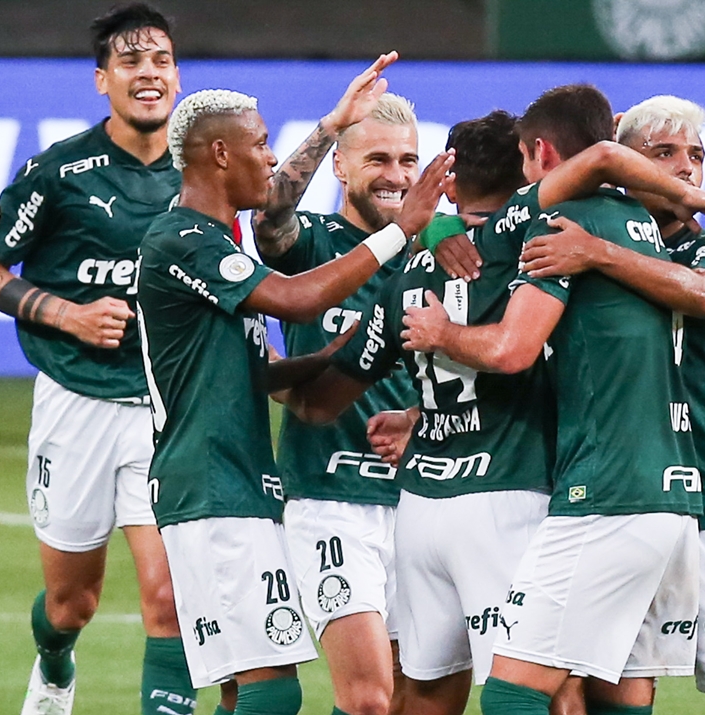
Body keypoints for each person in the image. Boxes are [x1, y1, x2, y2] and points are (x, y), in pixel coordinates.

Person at [281, 104, 705, 715]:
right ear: (528, 174)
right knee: (553, 688)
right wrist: (690, 198)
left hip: (421, 507)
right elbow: (520, 350)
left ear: (449, 182)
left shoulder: (410, 271)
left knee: (424, 694)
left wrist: (255, 376)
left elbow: (319, 404)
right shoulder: (538, 243)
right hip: (511, 496)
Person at [135, 88, 450, 715]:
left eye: (408, 160)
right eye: (259, 145)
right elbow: (297, 298)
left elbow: (257, 374)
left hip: (248, 483)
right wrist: (397, 233)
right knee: (276, 693)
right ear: (220, 154)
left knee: (253, 690)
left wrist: (350, 354)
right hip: (215, 482)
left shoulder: (212, 244)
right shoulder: (183, 241)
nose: (270, 157)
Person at [401, 84, 705, 715]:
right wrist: (440, 226)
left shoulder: (562, 224)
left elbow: (514, 350)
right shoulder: (638, 224)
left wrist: (442, 334)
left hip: (606, 490)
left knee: (515, 691)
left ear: (538, 152)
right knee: (617, 685)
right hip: (669, 486)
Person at [517, 94, 705, 715]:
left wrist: (599, 254)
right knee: (620, 686)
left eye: (695, 155)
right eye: (662, 153)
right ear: (622, 165)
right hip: (619, 490)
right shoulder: (570, 242)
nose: (686, 167)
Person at [0, 6, 193, 714]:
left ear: (177, 77)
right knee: (73, 601)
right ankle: (54, 662)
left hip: (162, 410)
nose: (147, 73)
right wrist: (67, 314)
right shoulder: (59, 173)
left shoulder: (209, 171)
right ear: (102, 80)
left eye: (159, 61)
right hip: (75, 402)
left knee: (169, 598)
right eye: (130, 63)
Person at [251, 54, 417, 715]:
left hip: (425, 503)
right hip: (329, 497)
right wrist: (329, 126)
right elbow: (269, 215)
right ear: (343, 167)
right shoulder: (316, 243)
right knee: (369, 698)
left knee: (414, 693)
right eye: (378, 158)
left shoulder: (438, 255)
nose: (396, 175)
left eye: (408, 160)